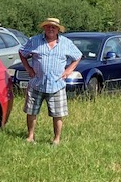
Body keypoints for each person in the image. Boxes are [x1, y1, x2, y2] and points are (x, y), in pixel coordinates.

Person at [19, 17, 82, 145]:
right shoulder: (34, 41)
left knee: (57, 114)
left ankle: (56, 139)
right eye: (48, 26)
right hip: (37, 83)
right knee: (31, 111)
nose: (50, 29)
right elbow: (22, 52)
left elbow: (78, 56)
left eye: (53, 27)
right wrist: (28, 68)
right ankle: (30, 136)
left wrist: (68, 71)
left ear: (58, 29)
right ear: (44, 28)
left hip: (57, 84)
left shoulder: (66, 43)